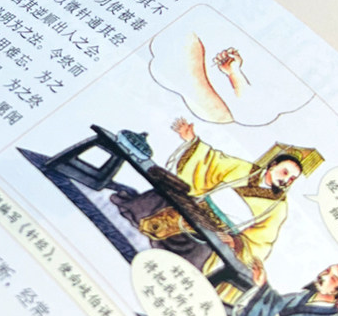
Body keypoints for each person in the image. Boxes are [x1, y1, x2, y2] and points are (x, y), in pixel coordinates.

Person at [110, 118, 320, 277]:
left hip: (218, 231)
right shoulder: (244, 169)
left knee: (203, 249)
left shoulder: (278, 207)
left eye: (291, 179)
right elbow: (212, 161)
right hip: (195, 207)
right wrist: (192, 141)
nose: (286, 180)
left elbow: (263, 240)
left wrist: (236, 242)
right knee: (165, 196)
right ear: (272, 165)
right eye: (285, 172)